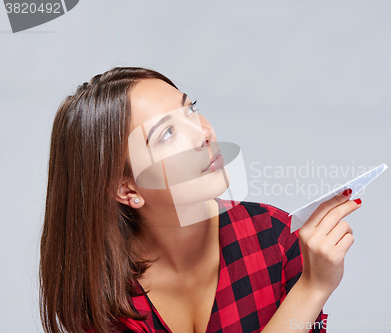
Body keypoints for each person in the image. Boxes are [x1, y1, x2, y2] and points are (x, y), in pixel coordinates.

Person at [39, 67, 360, 333]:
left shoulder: (275, 238)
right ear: (127, 190)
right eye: (167, 134)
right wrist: (311, 289)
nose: (202, 133)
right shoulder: (104, 296)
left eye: (190, 110)